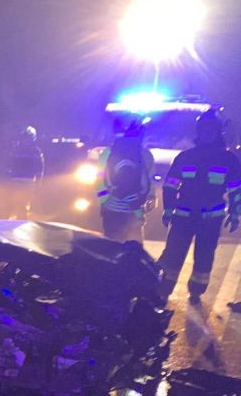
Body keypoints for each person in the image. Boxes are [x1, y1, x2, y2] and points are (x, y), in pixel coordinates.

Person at [157, 110, 241, 303]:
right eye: (204, 129)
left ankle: (196, 291)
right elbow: (170, 186)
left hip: (210, 220)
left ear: (218, 132)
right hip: (183, 217)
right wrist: (168, 210)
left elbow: (236, 190)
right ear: (199, 131)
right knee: (172, 256)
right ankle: (162, 290)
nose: (206, 133)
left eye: (210, 130)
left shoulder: (228, 159)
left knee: (204, 257)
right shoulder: (185, 157)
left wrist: (235, 213)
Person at [96, 123, 154, 243]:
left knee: (112, 247)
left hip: (111, 208)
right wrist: (147, 201)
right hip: (134, 210)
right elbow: (149, 179)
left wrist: (104, 201)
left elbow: (99, 179)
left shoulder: (107, 152)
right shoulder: (145, 154)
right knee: (133, 249)